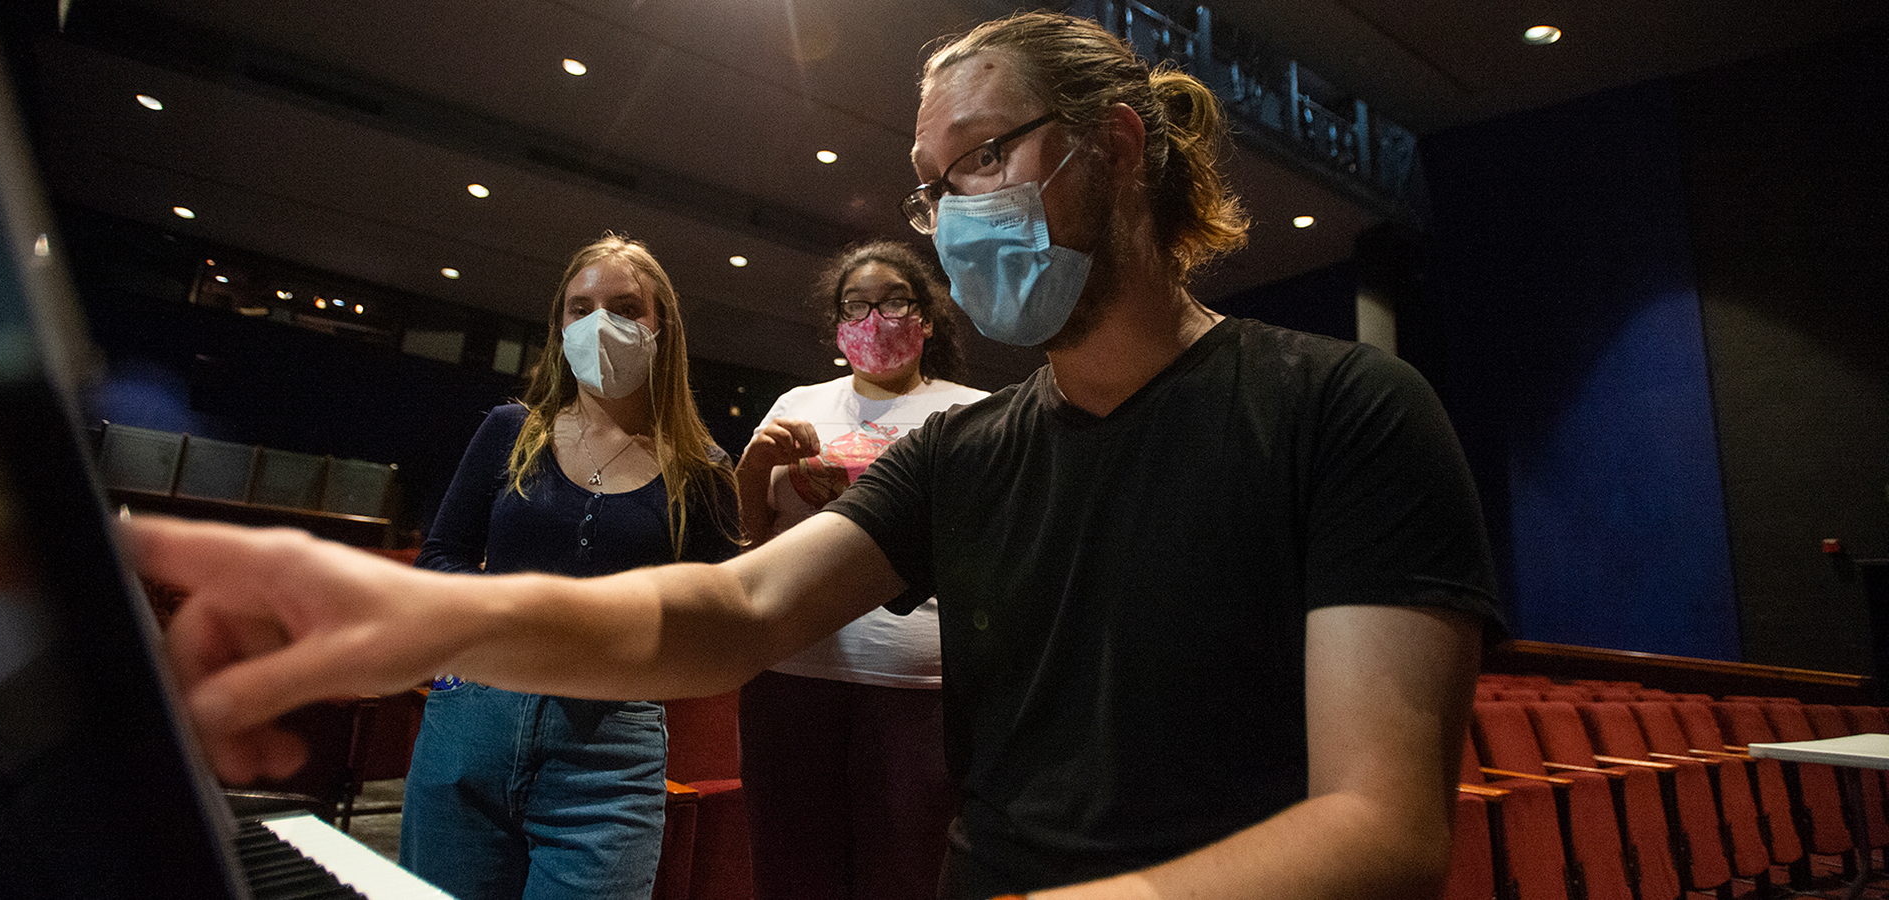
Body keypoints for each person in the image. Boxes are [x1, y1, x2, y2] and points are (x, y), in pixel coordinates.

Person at [132, 11, 1499, 899]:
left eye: (984, 158)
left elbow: (1382, 830)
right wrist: (426, 612)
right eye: (933, 178)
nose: (953, 213)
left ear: (1118, 148)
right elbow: (731, 610)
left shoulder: (1349, 411)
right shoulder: (977, 451)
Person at [396, 232, 740, 900]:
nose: (599, 323)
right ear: (559, 327)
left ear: (659, 326)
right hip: (472, 722)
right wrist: (515, 617)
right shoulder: (509, 429)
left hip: (609, 754)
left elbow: (720, 628)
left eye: (624, 306)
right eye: (580, 308)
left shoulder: (704, 469)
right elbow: (441, 557)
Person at [735, 240, 987, 900]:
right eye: (857, 306)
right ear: (839, 324)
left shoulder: (976, 413)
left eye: (895, 301)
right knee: (791, 874)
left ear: (928, 319)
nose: (874, 318)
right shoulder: (797, 402)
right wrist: (754, 471)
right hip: (789, 674)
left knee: (906, 878)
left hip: (919, 689)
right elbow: (752, 549)